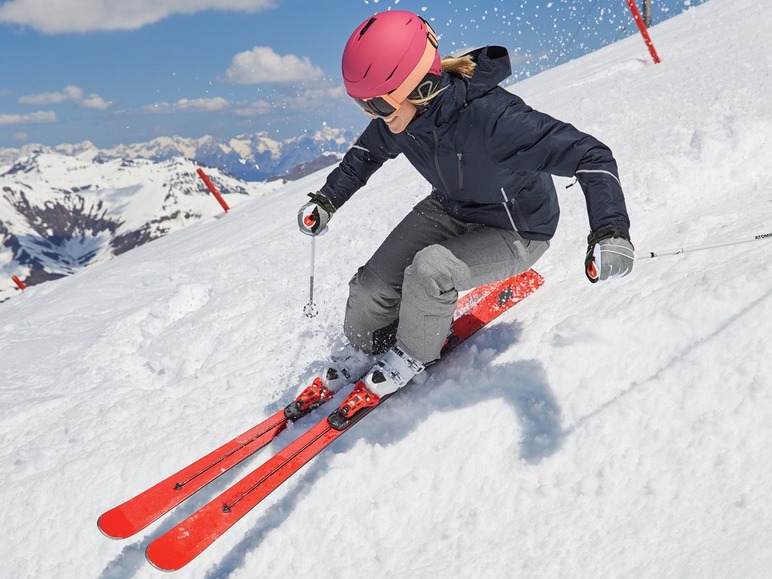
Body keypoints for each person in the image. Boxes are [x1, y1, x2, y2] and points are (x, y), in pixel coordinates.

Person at [292, 10, 634, 425]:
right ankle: (367, 347)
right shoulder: (398, 118)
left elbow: (591, 156)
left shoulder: (495, 120)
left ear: (419, 85)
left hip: (518, 227)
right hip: (452, 206)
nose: (375, 114)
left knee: (430, 271)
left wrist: (610, 230)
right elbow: (365, 155)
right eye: (364, 106)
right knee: (369, 288)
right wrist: (326, 201)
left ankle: (412, 355)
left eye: (378, 102)